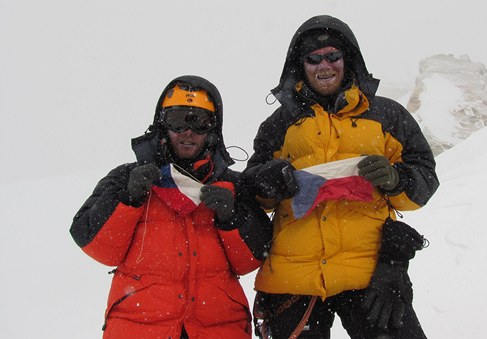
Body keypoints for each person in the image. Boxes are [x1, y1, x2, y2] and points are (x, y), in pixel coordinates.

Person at [243, 15, 439, 338]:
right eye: (313, 58)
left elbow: (425, 179)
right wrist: (271, 179)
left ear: (348, 59)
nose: (325, 66)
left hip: (371, 273)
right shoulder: (278, 125)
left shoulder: (386, 115)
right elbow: (254, 194)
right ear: (300, 64)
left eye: (333, 56)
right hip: (295, 279)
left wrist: (395, 180)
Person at [70, 75, 272, 339]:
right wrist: (128, 199)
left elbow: (255, 259)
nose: (188, 132)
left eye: (199, 122)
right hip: (139, 328)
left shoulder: (231, 185)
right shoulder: (126, 177)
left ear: (212, 130)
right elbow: (96, 245)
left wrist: (232, 217)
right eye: (178, 120)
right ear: (162, 124)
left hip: (218, 328)